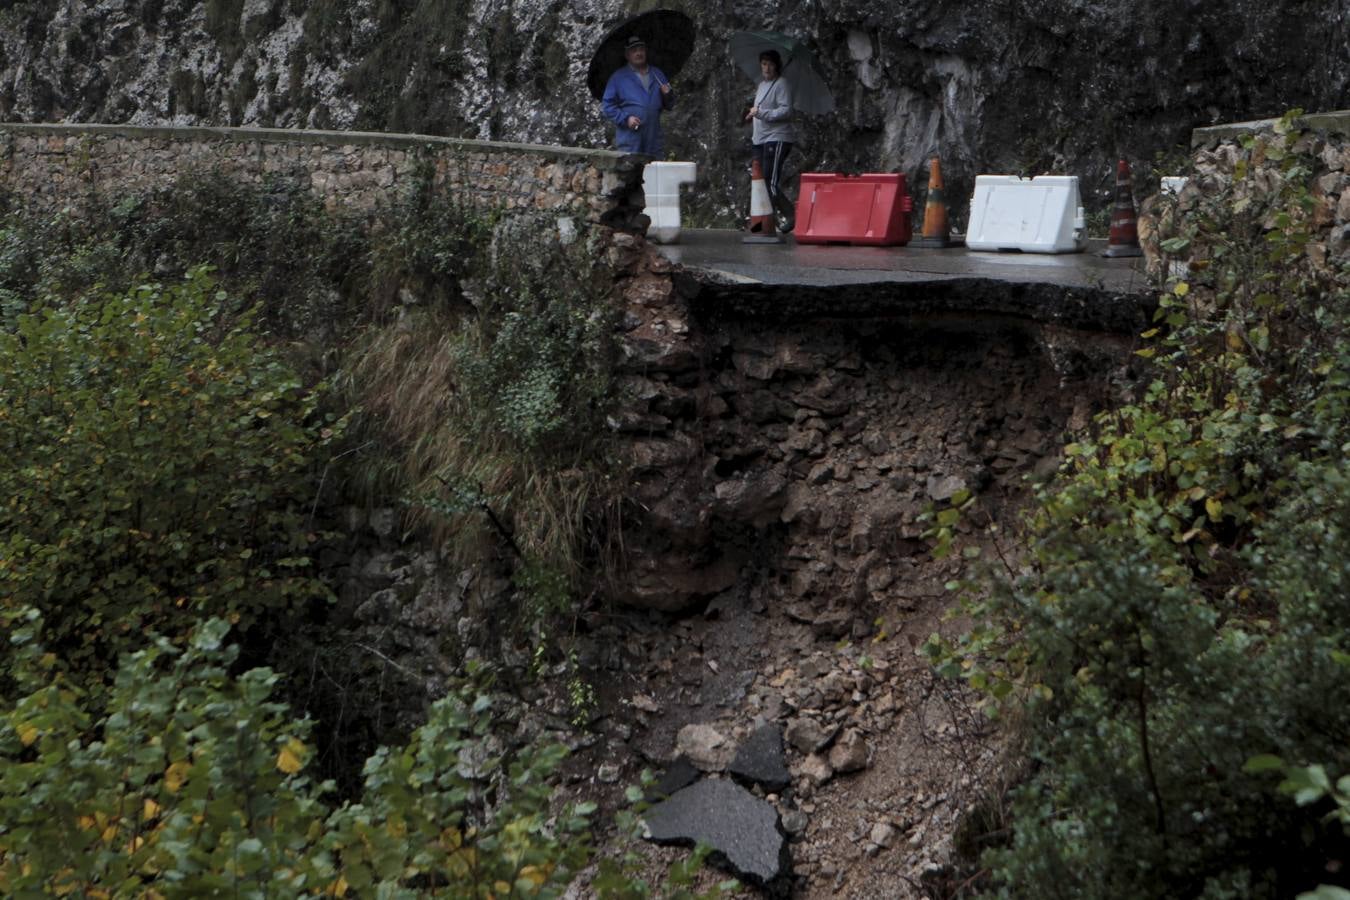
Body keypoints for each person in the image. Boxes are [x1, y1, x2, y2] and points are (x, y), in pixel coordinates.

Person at [744, 49, 796, 232]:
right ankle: (778, 219)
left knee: (770, 183)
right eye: (764, 63)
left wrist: (762, 113)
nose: (767, 67)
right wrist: (754, 114)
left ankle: (776, 219)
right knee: (760, 180)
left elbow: (786, 111)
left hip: (777, 138)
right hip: (760, 139)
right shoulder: (762, 86)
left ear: (777, 66)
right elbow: (761, 110)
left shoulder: (782, 84)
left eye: (771, 64)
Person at [602, 35, 675, 156]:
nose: (638, 53)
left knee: (655, 172)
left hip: (654, 138)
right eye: (634, 50)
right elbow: (607, 106)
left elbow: (670, 105)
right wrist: (626, 119)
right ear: (627, 55)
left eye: (641, 49)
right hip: (630, 139)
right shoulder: (618, 78)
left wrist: (667, 95)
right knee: (630, 172)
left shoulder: (657, 74)